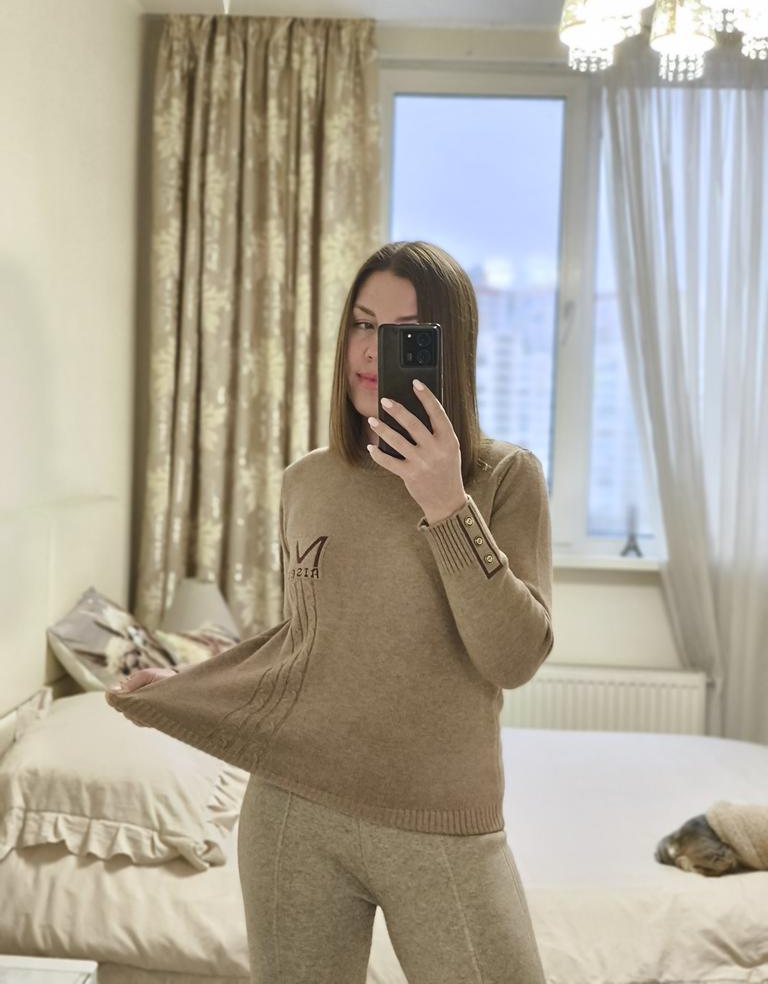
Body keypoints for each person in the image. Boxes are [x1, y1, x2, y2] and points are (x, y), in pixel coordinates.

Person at [108, 240, 554, 984]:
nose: (372, 353)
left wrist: (446, 504)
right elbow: (309, 641)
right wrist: (190, 682)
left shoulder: (504, 476)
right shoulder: (306, 481)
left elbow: (513, 657)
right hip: (293, 813)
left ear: (448, 350)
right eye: (362, 324)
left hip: (442, 821)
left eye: (404, 333)